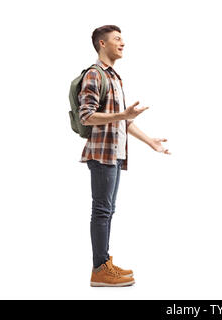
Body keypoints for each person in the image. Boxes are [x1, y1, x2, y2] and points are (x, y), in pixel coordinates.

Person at [79, 25, 170, 287]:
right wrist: (122, 116)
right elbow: (87, 115)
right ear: (102, 44)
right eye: (117, 39)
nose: (123, 43)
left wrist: (150, 141)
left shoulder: (114, 77)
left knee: (107, 210)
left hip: (116, 153)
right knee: (102, 211)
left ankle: (104, 262)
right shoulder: (95, 75)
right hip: (101, 154)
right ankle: (99, 269)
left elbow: (123, 122)